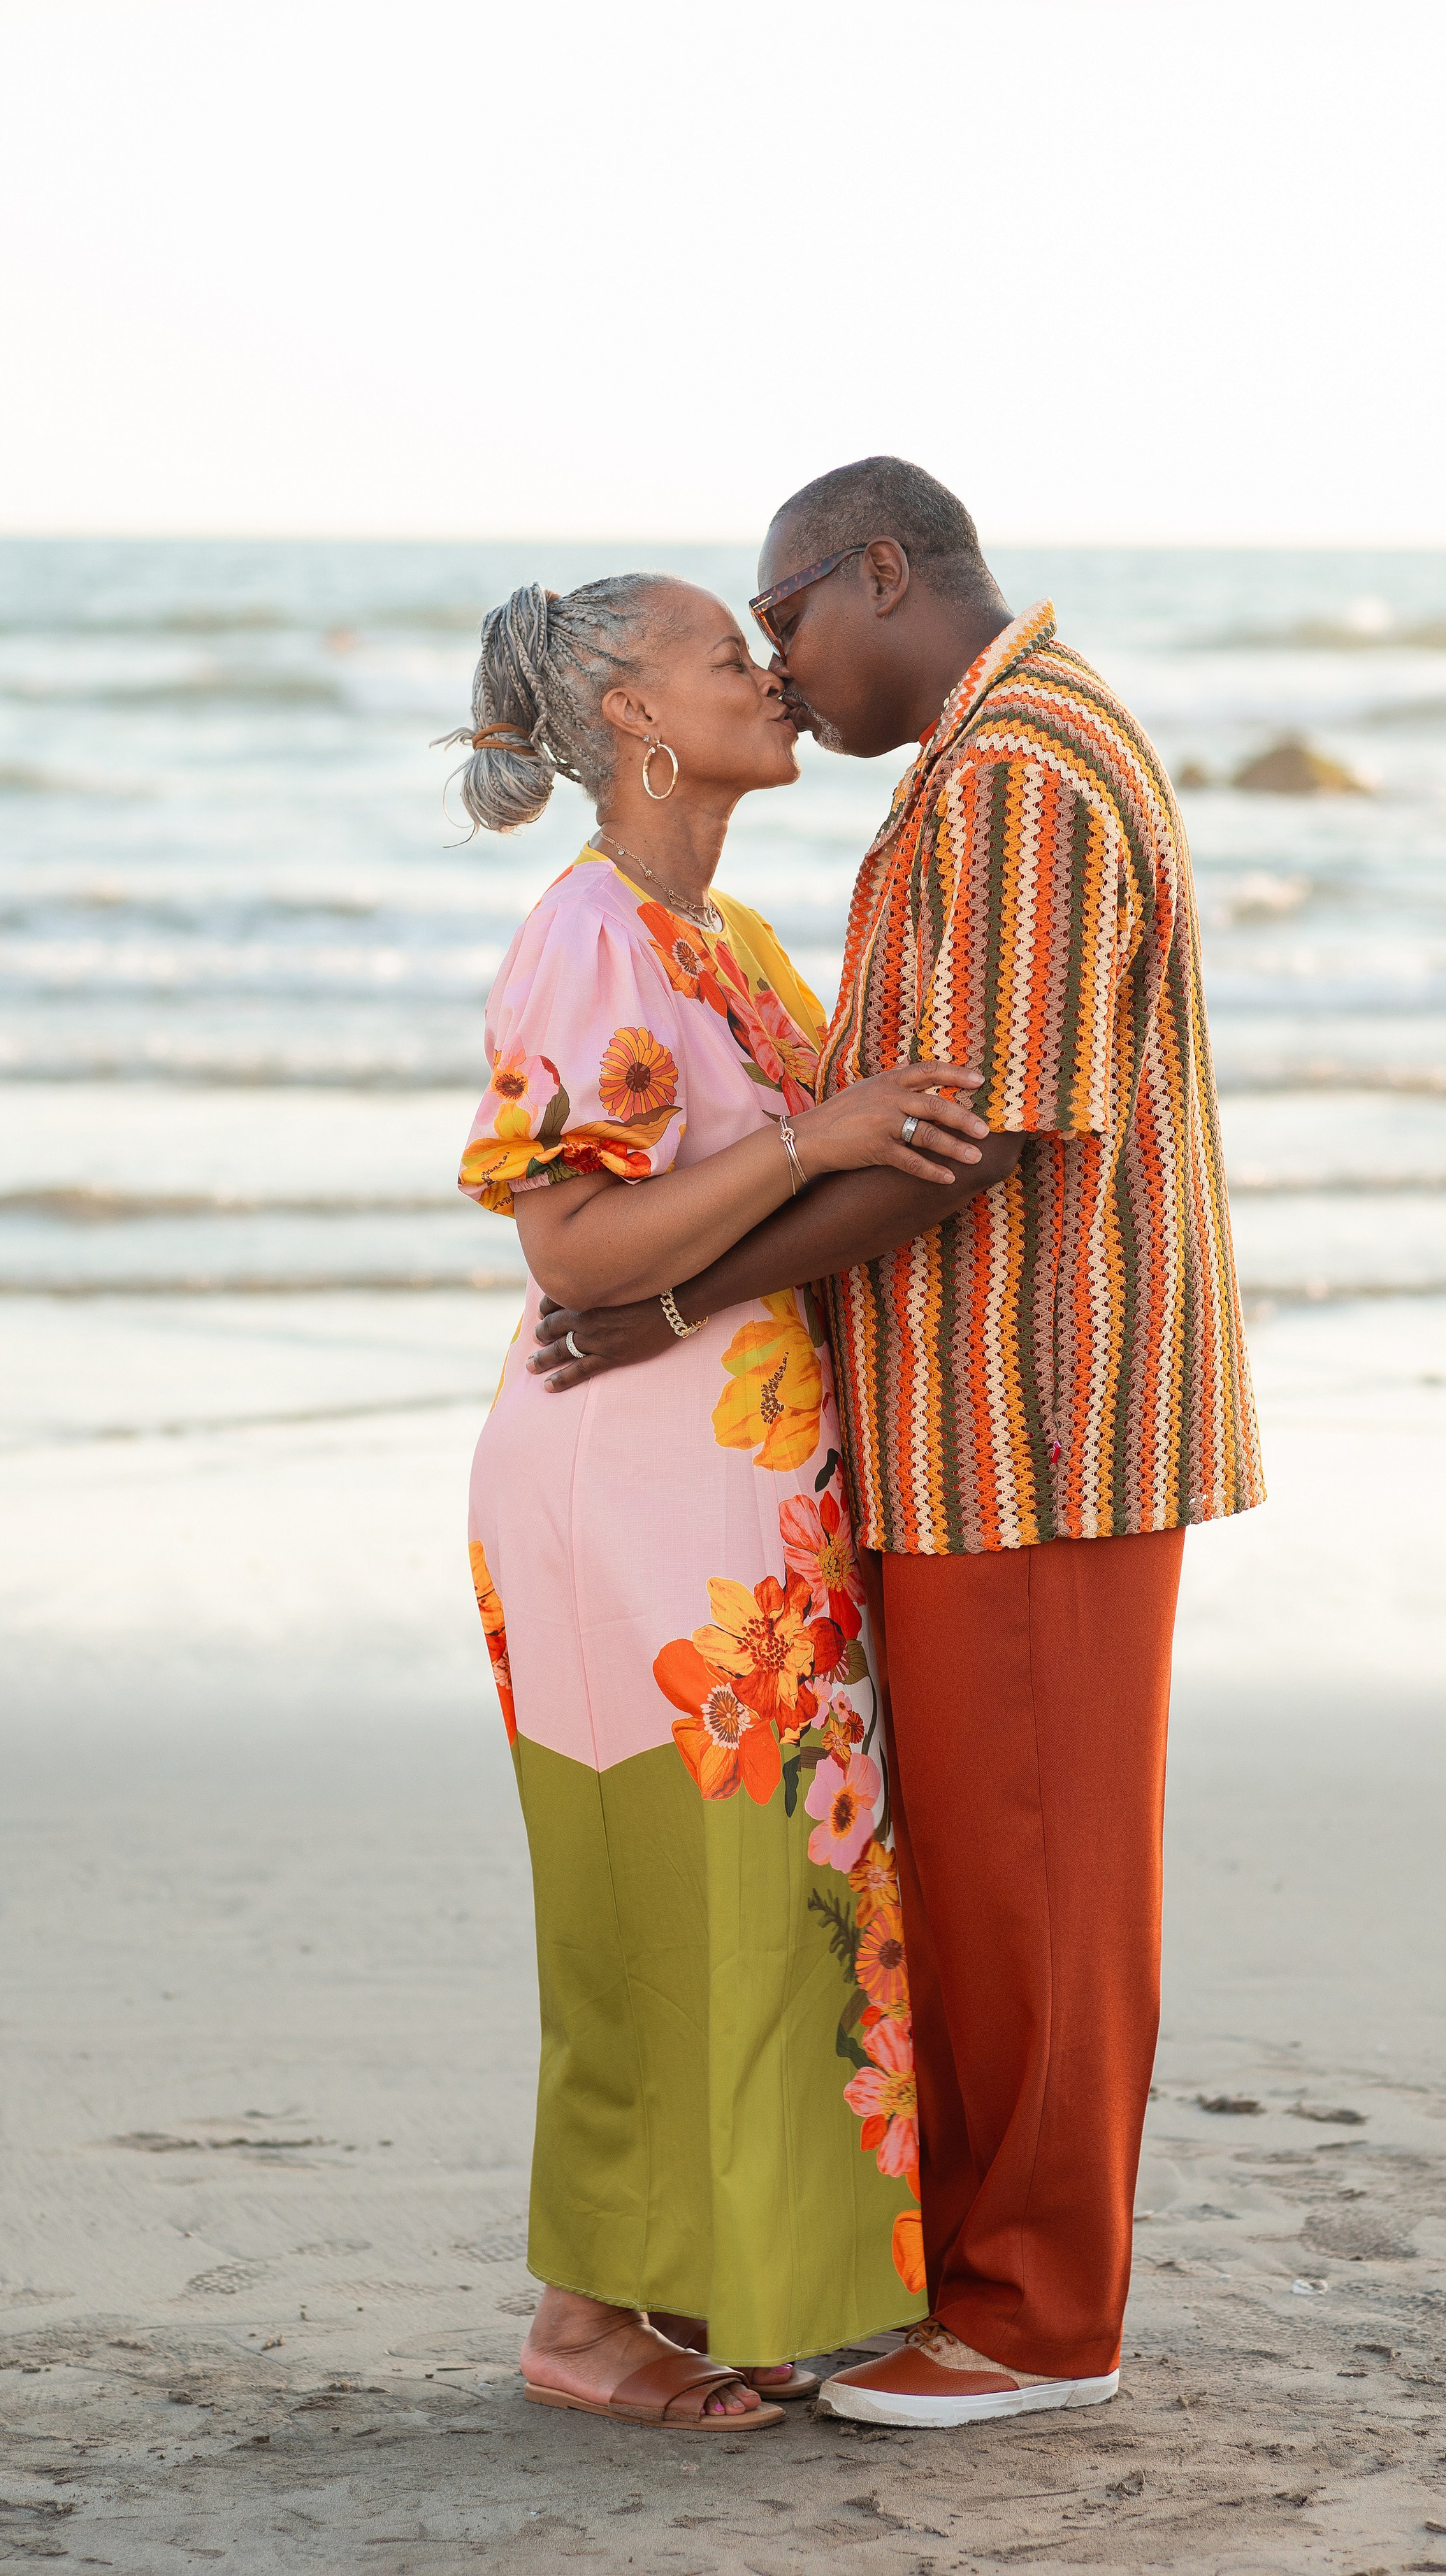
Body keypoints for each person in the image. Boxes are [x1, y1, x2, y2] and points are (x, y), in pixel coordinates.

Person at [529, 460, 1264, 2427]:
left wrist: (673, 1299)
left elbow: (975, 1131)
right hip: (968, 1433)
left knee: (1040, 1874)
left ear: (880, 570)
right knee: (983, 1878)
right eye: (740, 647)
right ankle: (980, 2280)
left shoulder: (1023, 768)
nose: (782, 671)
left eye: (784, 623)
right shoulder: (993, 756)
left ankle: (1037, 2323)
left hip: (1038, 1423)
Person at [450, 573, 999, 2433]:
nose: (767, 675)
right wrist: (814, 1137)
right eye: (720, 654)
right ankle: (589, 2325)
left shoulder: (735, 945)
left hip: (751, 1496)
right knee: (649, 1906)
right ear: (634, 719)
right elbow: (572, 1247)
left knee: (773, 1903)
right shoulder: (588, 939)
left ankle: (716, 2289)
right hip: (625, 1487)